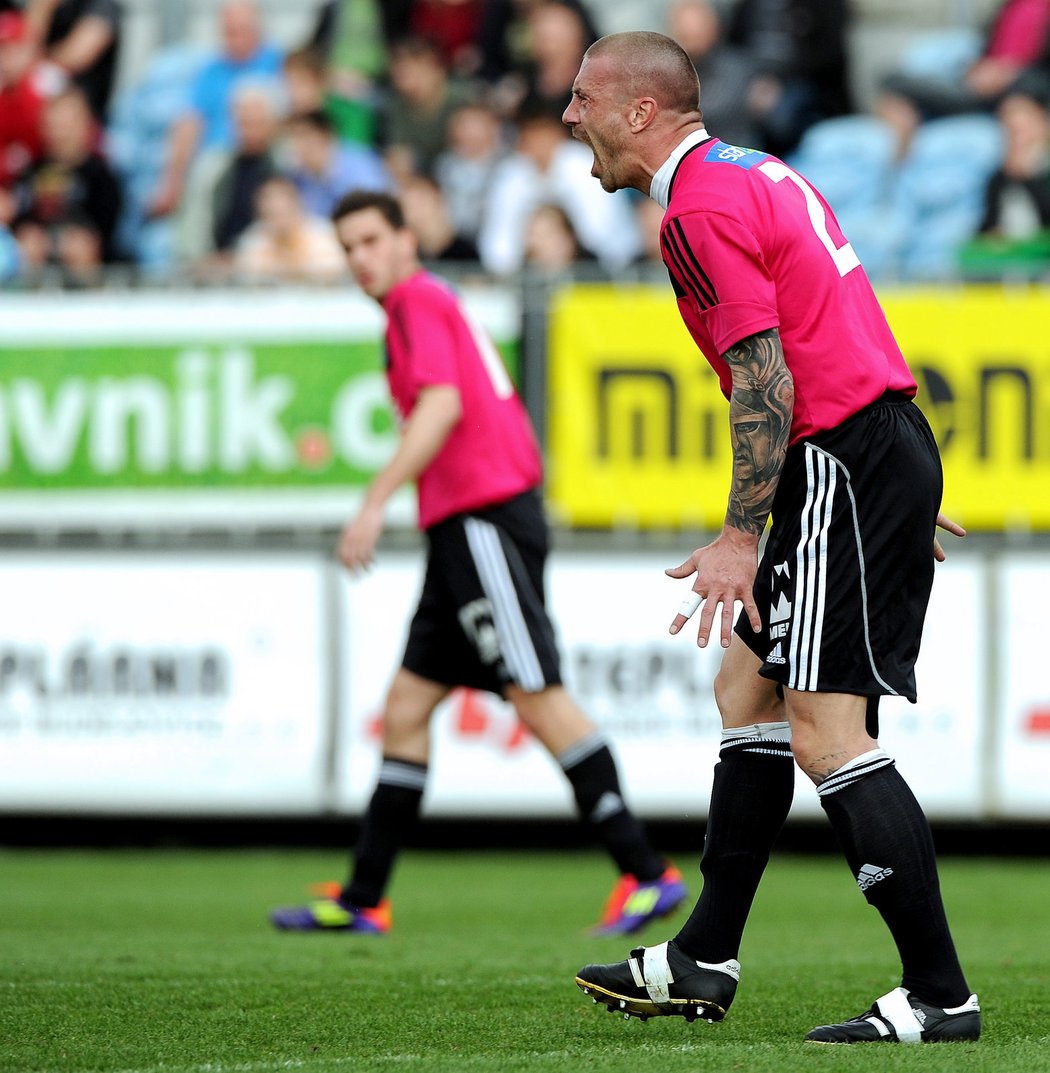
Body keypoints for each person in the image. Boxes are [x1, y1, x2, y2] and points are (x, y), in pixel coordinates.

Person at [561, 31, 980, 1045]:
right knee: (743, 686)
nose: (570, 117)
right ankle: (703, 954)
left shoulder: (694, 209)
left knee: (827, 729)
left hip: (838, 456)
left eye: (583, 99)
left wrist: (741, 534)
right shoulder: (756, 171)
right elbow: (830, 322)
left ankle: (939, 995)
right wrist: (894, 483)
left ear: (641, 112)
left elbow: (767, 379)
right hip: (862, 450)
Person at [269, 188, 686, 936]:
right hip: (460, 528)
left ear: (405, 242)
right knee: (406, 706)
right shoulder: (418, 307)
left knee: (536, 693)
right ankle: (365, 897)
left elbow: (443, 405)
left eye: (371, 241)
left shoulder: (417, 302)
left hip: (484, 518)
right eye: (350, 246)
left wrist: (374, 500)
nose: (360, 258)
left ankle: (647, 871)